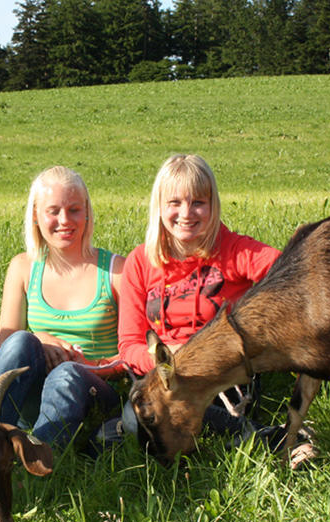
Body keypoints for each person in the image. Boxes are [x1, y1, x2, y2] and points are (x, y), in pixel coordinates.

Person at [113, 154, 314, 462]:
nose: (186, 213)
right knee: (136, 418)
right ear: (159, 207)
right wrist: (166, 356)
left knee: (148, 423)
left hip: (222, 375)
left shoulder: (232, 250)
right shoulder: (140, 262)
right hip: (163, 379)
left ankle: (278, 441)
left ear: (212, 205)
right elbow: (128, 345)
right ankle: (242, 438)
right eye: (175, 203)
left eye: (198, 203)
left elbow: (293, 269)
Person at [0, 166, 125, 449]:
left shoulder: (116, 270)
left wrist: (86, 366)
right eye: (53, 211)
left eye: (74, 209)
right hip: (37, 389)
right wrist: (41, 340)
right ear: (35, 215)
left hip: (96, 392)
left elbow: (133, 353)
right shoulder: (23, 267)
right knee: (21, 340)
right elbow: (7, 344)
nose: (64, 220)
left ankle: (40, 460)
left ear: (88, 212)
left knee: (66, 374)